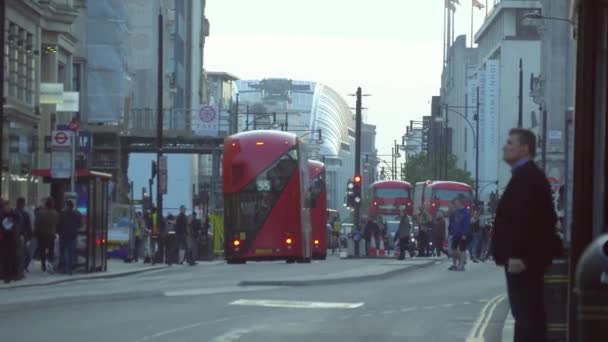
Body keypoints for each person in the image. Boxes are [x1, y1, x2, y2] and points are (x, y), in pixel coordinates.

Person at [491, 128, 561, 342]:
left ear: (525, 148)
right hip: (526, 258)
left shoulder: (527, 177)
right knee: (529, 313)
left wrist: (517, 255)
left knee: (526, 314)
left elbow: (523, 220)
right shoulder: (527, 175)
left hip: (523, 261)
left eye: (510, 143)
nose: (505, 146)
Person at [34, 197, 59, 272]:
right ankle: (50, 263)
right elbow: (57, 223)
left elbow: (36, 223)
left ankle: (43, 265)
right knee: (51, 249)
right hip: (51, 234)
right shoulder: (56, 213)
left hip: (41, 234)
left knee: (42, 250)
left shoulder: (40, 213)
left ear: (46, 204)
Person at [58, 200, 82, 275]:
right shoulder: (77, 214)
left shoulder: (62, 214)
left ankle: (63, 268)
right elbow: (80, 225)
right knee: (71, 253)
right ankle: (70, 269)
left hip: (64, 235)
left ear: (67, 206)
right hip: (73, 236)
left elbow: (59, 224)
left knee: (62, 251)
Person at [448, 196, 471, 271]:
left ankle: (461, 265)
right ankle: (456, 263)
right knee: (453, 249)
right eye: (455, 203)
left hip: (462, 234)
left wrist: (465, 234)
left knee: (462, 250)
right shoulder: (455, 212)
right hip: (455, 234)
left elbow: (467, 224)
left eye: (456, 203)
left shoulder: (466, 212)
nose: (455, 205)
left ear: (460, 203)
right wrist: (451, 232)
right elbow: (453, 223)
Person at [0, 198, 19, 283]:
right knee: (5, 258)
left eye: (8, 207)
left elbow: (18, 225)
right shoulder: (1, 215)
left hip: (12, 239)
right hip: (4, 240)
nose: (7, 208)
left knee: (12, 257)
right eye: (5, 207)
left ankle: (12, 275)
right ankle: (6, 275)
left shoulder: (15, 215)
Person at [14, 197, 32, 274]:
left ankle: (20, 268)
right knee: (26, 255)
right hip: (22, 237)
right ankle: (22, 268)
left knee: (19, 254)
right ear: (23, 204)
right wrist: (30, 237)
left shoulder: (13, 212)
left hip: (14, 237)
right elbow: (28, 227)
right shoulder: (25, 214)